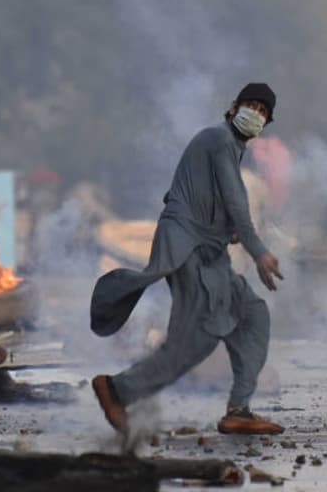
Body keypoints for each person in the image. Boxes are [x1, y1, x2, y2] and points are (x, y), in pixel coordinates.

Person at [90, 83, 286, 436]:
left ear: (267, 122)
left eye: (262, 111)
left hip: (212, 253)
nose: (254, 114)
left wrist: (227, 230)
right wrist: (258, 251)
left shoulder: (231, 148)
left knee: (253, 314)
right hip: (189, 251)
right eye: (250, 106)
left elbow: (212, 202)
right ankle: (117, 390)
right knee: (195, 340)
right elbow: (235, 202)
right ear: (233, 106)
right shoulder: (219, 139)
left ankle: (239, 409)